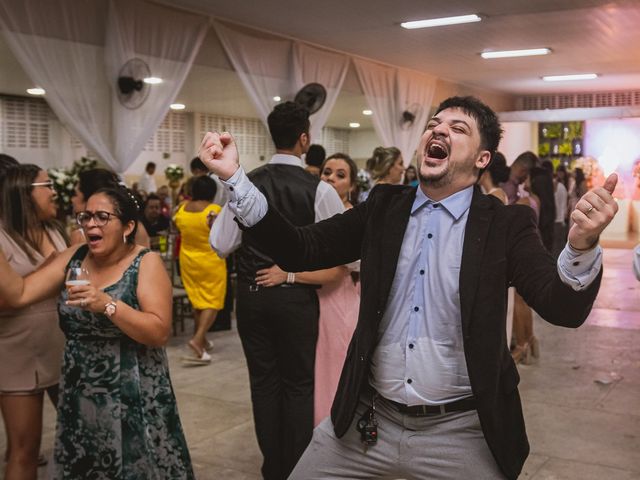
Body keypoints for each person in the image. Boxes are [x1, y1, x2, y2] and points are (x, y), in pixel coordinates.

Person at [199, 95, 618, 480]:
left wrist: (582, 244)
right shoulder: (384, 207)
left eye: (458, 128)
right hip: (368, 421)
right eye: (434, 124)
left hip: (461, 431)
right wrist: (235, 178)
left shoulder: (506, 224)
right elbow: (298, 248)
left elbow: (562, 307)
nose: (438, 130)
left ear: (481, 158)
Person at [0, 186, 194, 478]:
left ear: (128, 226)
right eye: (86, 216)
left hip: (133, 392)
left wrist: (107, 304)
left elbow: (158, 332)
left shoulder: (146, 262)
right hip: (82, 392)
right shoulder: (74, 258)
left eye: (102, 217)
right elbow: (20, 294)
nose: (91, 224)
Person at [208, 101, 343, 480]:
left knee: (264, 384)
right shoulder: (321, 190)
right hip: (296, 299)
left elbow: (220, 243)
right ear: (305, 138)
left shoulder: (244, 184)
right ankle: (297, 468)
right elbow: (337, 248)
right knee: (299, 384)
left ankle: (273, 467)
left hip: (251, 298)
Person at [0, 164, 67, 480]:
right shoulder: (1, 236)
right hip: (18, 351)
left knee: (80, 438)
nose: (54, 191)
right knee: (24, 450)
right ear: (23, 193)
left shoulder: (55, 229)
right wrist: (59, 265)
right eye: (47, 184)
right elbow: (10, 297)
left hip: (63, 345)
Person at [173, 175, 227, 364]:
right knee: (213, 301)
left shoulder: (181, 209)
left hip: (188, 260)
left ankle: (202, 339)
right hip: (211, 260)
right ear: (212, 192)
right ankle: (197, 340)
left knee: (198, 301)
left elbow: (175, 225)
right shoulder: (214, 210)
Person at [70, 168, 151, 248]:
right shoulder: (136, 227)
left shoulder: (81, 236)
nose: (72, 199)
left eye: (75, 194)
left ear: (89, 198)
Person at [552, 165, 570, 258]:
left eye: (561, 172)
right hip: (560, 215)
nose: (559, 174)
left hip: (564, 214)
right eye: (558, 171)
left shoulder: (566, 183)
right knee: (559, 241)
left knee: (560, 241)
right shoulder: (557, 184)